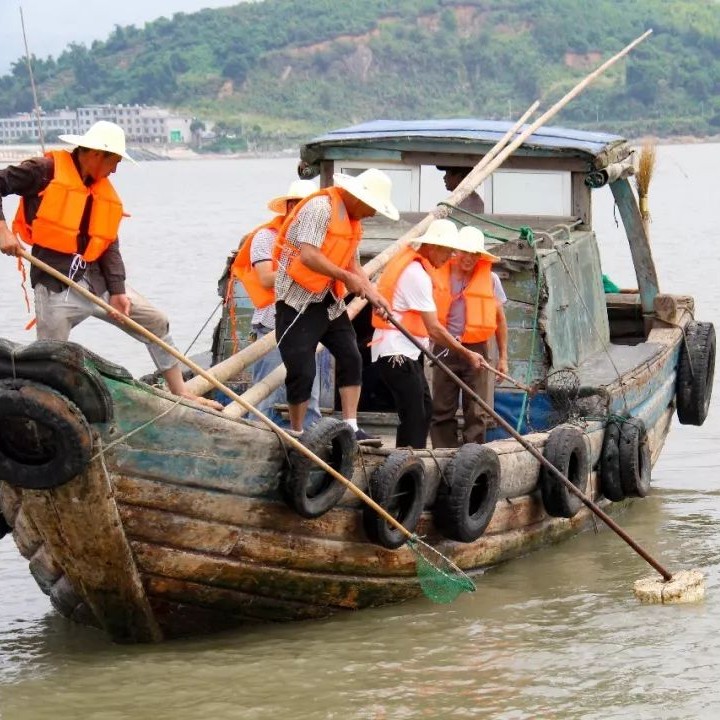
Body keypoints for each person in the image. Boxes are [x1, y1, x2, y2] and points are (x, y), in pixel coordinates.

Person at [0, 120, 221, 410]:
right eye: (114, 161)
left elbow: (108, 243)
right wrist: (3, 231)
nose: (115, 169)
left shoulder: (102, 191)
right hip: (55, 283)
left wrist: (117, 290)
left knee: (155, 321)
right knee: (50, 357)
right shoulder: (43, 171)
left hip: (97, 282)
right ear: (95, 154)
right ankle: (50, 413)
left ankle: (180, 391)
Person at [273, 168, 397, 441]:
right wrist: (345, 277)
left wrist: (374, 296)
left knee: (351, 356)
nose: (373, 214)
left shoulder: (353, 222)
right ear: (357, 197)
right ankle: (297, 432)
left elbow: (354, 265)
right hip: (299, 300)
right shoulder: (320, 208)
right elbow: (308, 256)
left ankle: (351, 426)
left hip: (329, 301)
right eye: (372, 207)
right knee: (302, 370)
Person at [370, 219, 485, 449]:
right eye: (447, 251)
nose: (448, 257)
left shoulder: (419, 269)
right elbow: (434, 328)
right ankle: (406, 466)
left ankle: (413, 461)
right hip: (395, 353)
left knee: (424, 410)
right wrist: (466, 353)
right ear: (434, 247)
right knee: (414, 414)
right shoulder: (416, 275)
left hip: (408, 352)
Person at [229, 178, 322, 428]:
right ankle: (256, 435)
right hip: (273, 324)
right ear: (289, 207)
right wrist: (307, 264)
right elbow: (267, 279)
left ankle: (308, 438)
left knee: (309, 395)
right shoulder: (266, 237)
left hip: (308, 325)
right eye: (298, 206)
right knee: (265, 394)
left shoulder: (320, 240)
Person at [430, 226, 508, 448]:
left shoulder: (491, 279)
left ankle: (472, 457)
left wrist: (503, 358)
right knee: (442, 407)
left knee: (476, 409)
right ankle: (443, 454)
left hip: (478, 349)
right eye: (465, 252)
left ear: (480, 255)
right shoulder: (439, 272)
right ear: (456, 251)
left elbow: (500, 321)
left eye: (474, 253)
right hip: (446, 346)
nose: (469, 258)